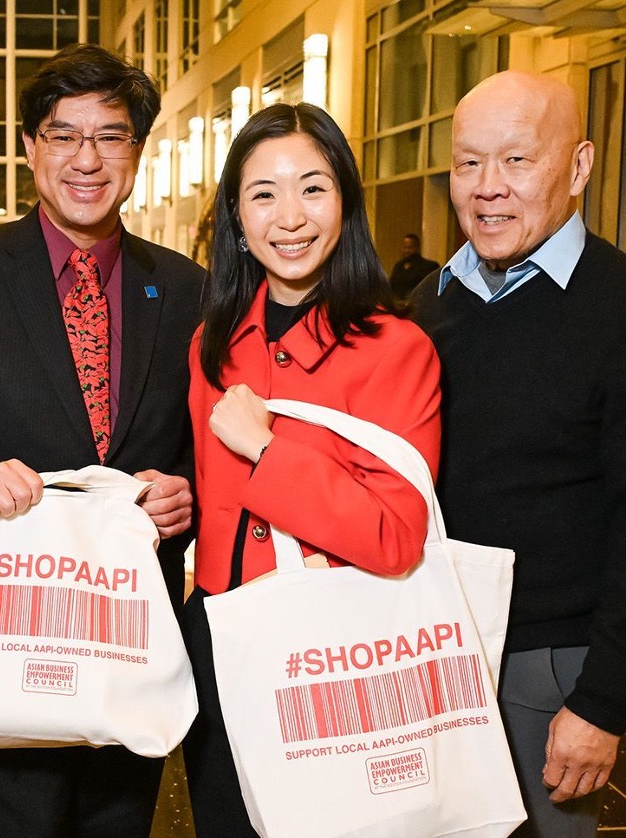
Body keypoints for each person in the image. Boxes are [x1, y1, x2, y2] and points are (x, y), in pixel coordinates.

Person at [0, 44, 203, 838]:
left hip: (130, 640)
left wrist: (187, 492)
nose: (86, 159)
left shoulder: (185, 287)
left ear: (137, 149)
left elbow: (200, 445)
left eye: (109, 136)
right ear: (30, 146)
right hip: (8, 634)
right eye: (63, 135)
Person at [184, 102, 441, 836]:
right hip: (222, 640)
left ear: (346, 203)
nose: (290, 217)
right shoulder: (211, 344)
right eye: (264, 194)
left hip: (336, 651)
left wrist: (268, 452)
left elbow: (397, 535)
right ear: (237, 218)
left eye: (313, 188)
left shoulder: (397, 349)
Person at [410, 70, 626, 837]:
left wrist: (603, 702)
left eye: (516, 160)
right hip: (433, 652)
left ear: (579, 167)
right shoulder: (430, 304)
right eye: (468, 162)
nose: (487, 187)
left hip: (549, 671)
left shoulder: (615, 306)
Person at [388, 233, 439, 300]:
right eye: (405, 247)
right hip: (399, 304)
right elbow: (392, 286)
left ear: (417, 248)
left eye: (410, 247)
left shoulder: (429, 267)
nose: (407, 251)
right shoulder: (398, 266)